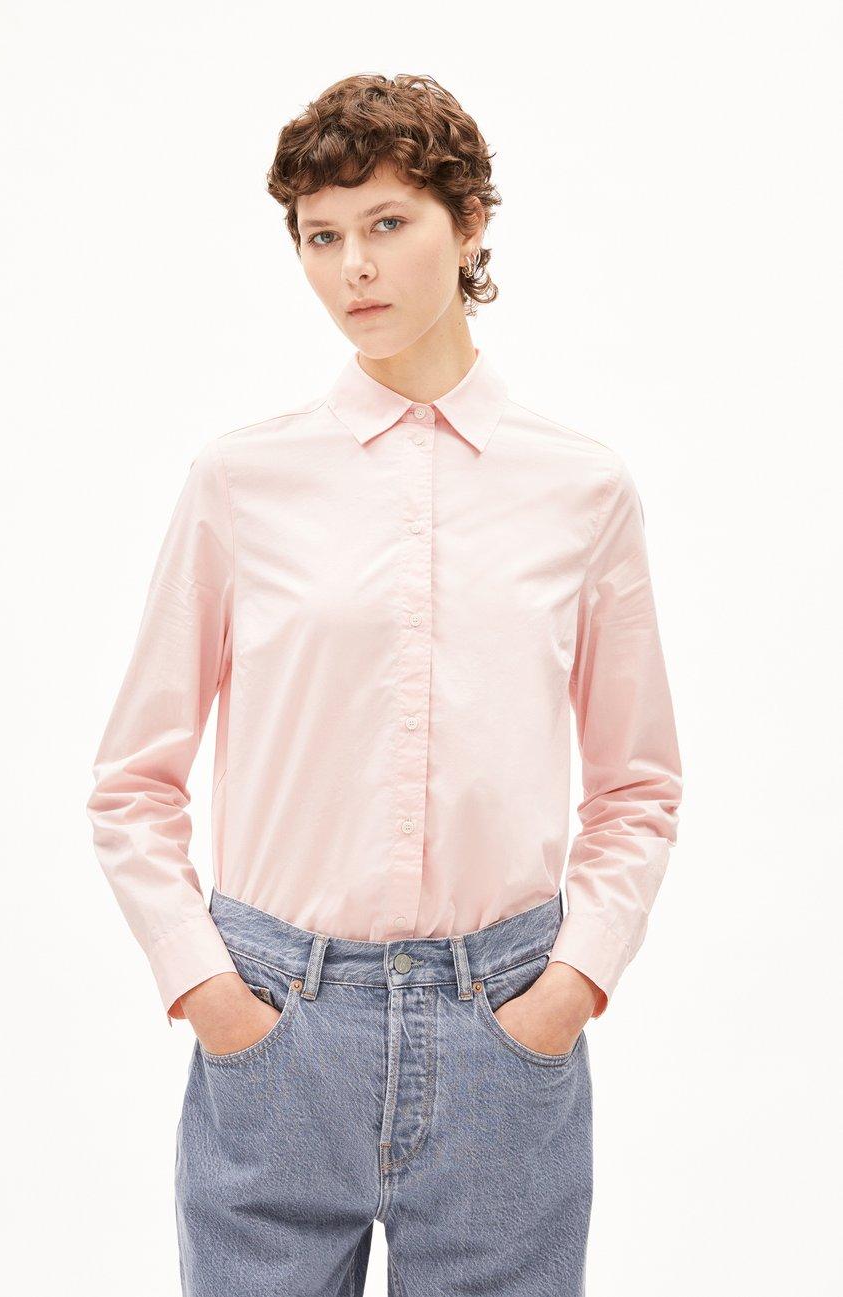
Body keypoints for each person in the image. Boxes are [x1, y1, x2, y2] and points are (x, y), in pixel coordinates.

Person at [87, 72, 683, 1297]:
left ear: (470, 225)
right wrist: (210, 991)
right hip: (275, 1022)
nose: (352, 266)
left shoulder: (583, 489)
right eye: (320, 236)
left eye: (387, 223)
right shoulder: (239, 482)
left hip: (505, 1025)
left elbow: (638, 786)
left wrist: (568, 989)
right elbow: (133, 781)